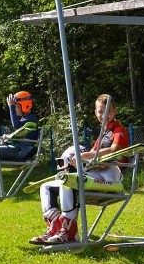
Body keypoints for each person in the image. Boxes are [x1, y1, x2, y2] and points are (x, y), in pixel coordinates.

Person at [31, 94, 130, 244]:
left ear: (114, 111)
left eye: (108, 111)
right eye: (101, 111)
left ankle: (69, 232)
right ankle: (56, 227)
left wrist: (87, 155)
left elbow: (114, 151)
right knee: (46, 187)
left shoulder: (118, 131)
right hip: (94, 173)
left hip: (109, 177)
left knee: (69, 180)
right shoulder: (103, 133)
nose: (104, 115)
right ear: (95, 112)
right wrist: (81, 159)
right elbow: (91, 155)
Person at [0, 90, 39, 201]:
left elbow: (17, 126)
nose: (15, 110)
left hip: (22, 151)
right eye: (15, 107)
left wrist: (11, 107)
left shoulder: (31, 118)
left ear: (25, 106)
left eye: (17, 107)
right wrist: (8, 139)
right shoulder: (24, 120)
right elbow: (19, 132)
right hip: (17, 148)